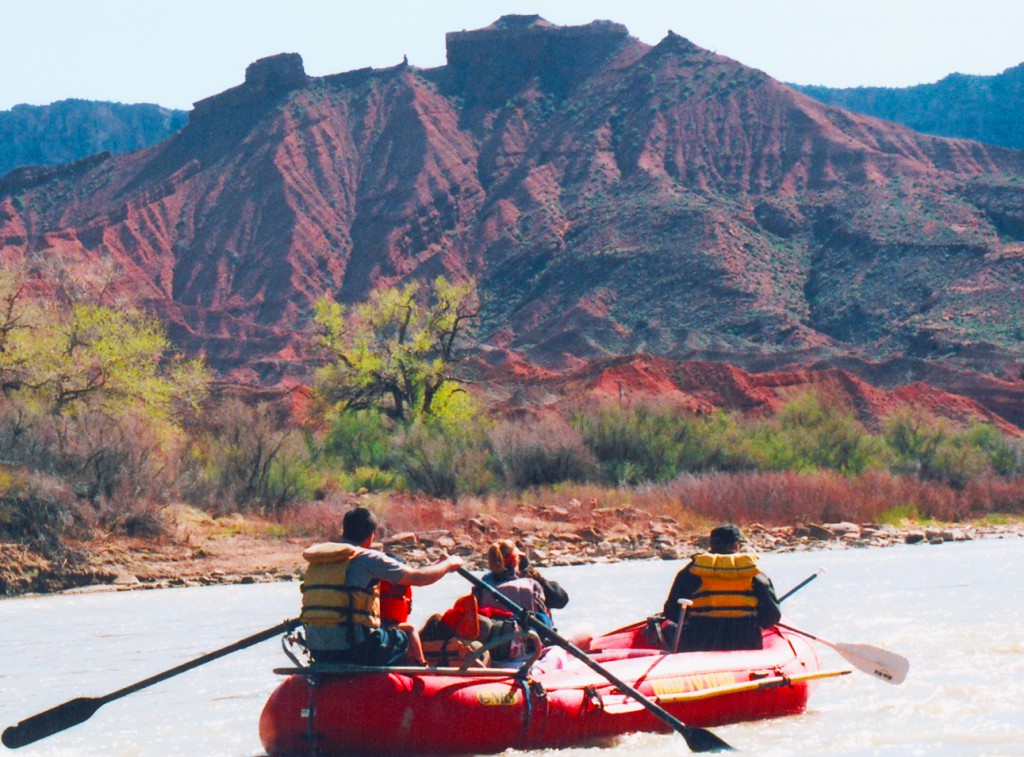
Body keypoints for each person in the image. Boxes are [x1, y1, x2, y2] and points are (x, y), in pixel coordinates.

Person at [299, 506, 463, 666]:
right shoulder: (367, 558)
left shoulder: (320, 561)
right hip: (355, 649)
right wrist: (449, 564)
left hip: (317, 649)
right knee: (404, 636)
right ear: (371, 536)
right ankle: (419, 669)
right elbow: (419, 577)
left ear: (344, 532)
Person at [661, 523, 781, 652]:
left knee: (667, 629)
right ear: (736, 545)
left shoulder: (691, 572)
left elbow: (672, 613)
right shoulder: (754, 574)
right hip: (744, 644)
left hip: (700, 645)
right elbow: (771, 617)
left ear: (712, 545)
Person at [473, 539, 568, 628]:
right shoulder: (531, 584)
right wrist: (530, 572)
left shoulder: (482, 585)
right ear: (515, 562)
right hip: (526, 640)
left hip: (494, 640)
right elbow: (560, 601)